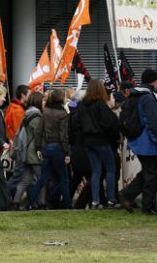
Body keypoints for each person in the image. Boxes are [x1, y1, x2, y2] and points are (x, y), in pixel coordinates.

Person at [76, 79, 120, 208]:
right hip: (101, 140)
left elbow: (77, 123)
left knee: (96, 171)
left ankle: (95, 201)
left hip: (88, 141)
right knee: (110, 169)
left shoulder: (82, 105)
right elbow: (109, 122)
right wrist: (104, 132)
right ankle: (111, 200)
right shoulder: (100, 104)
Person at [120, 69, 157, 215]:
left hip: (138, 140)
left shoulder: (135, 95)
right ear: (153, 81)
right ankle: (147, 207)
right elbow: (152, 123)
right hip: (148, 142)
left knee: (149, 172)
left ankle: (127, 194)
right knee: (151, 174)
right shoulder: (147, 97)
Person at [27, 89, 72, 209]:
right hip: (58, 147)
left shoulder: (45, 112)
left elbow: (39, 131)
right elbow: (63, 135)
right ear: (60, 99)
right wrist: (67, 153)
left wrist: (38, 147)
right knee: (64, 179)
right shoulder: (62, 114)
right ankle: (68, 204)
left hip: (47, 147)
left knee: (43, 178)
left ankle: (29, 204)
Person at [11, 92, 45, 210]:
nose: (44, 102)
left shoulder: (27, 114)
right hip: (34, 152)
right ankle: (42, 203)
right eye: (43, 100)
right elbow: (38, 135)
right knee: (41, 178)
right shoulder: (36, 116)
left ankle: (15, 203)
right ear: (38, 101)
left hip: (25, 152)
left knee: (25, 180)